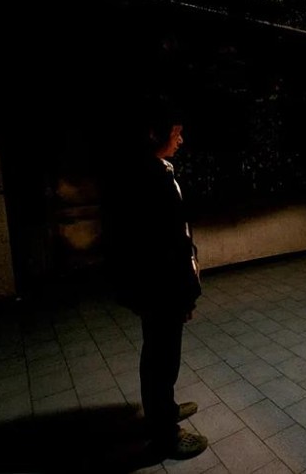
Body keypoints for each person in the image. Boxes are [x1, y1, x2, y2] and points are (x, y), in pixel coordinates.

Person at [101, 103, 207, 461]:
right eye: (176, 133)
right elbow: (163, 248)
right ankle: (164, 434)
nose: (181, 140)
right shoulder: (146, 179)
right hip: (160, 288)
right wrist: (185, 294)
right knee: (162, 358)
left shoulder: (151, 171)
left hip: (159, 286)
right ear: (154, 134)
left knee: (159, 353)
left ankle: (165, 410)